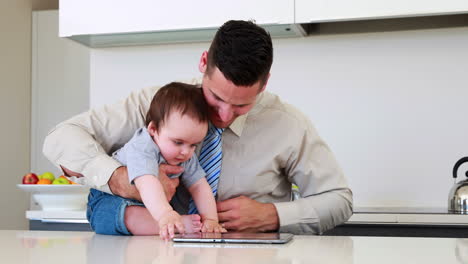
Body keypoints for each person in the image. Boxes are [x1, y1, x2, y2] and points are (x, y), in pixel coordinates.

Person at [43, 20, 353, 235]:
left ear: (265, 84)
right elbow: (61, 139)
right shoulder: (159, 103)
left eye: (242, 106)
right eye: (216, 97)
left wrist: (272, 216)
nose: (224, 115)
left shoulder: (288, 124)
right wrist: (119, 179)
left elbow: (339, 199)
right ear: (203, 62)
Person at [86, 82, 226, 238]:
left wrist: (211, 219)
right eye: (178, 142)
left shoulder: (185, 153)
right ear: (153, 130)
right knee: (126, 214)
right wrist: (165, 214)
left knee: (153, 214)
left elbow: (199, 186)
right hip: (109, 199)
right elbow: (147, 183)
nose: (186, 152)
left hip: (153, 206)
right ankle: (177, 224)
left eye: (194, 145)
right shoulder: (142, 146)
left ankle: (173, 223)